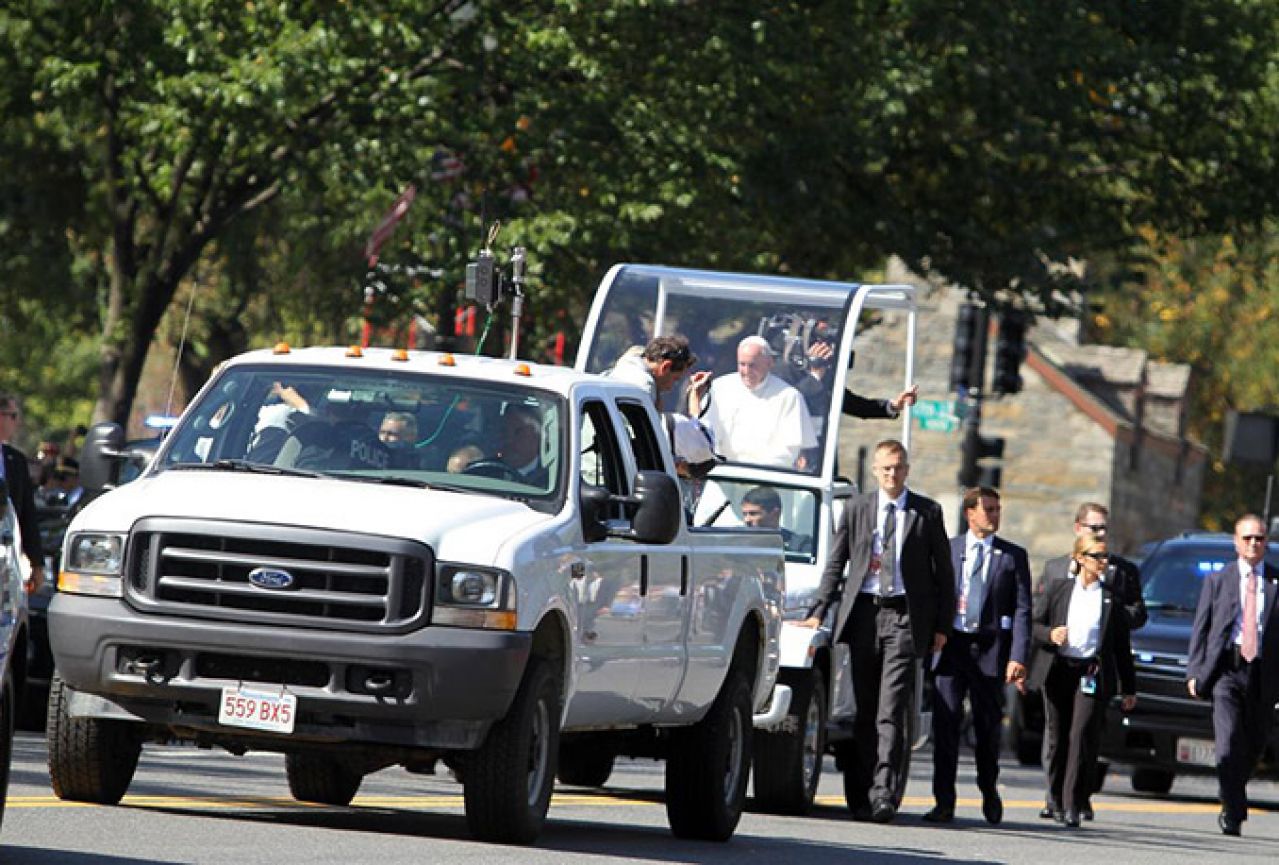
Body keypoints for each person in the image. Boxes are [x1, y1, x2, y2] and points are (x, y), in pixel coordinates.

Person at [800, 439, 954, 823]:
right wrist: (819, 610)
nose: (892, 474)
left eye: (899, 467)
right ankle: (861, 790)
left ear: (907, 469)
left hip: (904, 617)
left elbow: (944, 575)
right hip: (864, 615)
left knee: (891, 708)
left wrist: (941, 626)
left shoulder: (926, 513)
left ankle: (884, 792)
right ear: (875, 471)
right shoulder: (856, 509)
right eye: (886, 468)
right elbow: (836, 563)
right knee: (865, 709)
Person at [924, 486, 1032, 825]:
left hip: (990, 651)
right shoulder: (951, 549)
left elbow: (1023, 610)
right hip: (953, 646)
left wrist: (1018, 656)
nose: (993, 515)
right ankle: (944, 800)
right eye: (987, 508)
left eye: (997, 509)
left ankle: (988, 787)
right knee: (947, 724)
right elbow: (935, 594)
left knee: (987, 729)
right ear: (970, 513)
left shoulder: (1012, 557)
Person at [1034, 502, 1146, 820]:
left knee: (1083, 734)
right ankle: (1053, 797)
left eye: (1104, 530)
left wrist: (1110, 619)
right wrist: (1049, 636)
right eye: (1093, 529)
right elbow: (1035, 618)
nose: (1100, 536)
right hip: (1058, 666)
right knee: (1057, 734)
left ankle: (1075, 800)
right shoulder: (1056, 574)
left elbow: (1132, 624)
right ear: (1078, 531)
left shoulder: (1118, 578)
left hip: (1095, 667)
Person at [1186, 514, 1279, 837]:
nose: (1254, 543)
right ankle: (1233, 808)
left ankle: (1231, 790)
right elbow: (1202, 628)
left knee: (1253, 743)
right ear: (1236, 542)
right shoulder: (1218, 580)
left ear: (1266, 542)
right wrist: (1195, 671)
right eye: (1248, 538)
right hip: (1226, 668)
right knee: (1226, 742)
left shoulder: (1275, 582)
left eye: (1260, 538)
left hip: (1264, 674)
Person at [702, 335, 817, 469]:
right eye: (742, 364)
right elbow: (706, 435)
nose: (746, 371)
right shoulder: (719, 389)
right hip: (723, 473)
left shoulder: (788, 396)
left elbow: (788, 451)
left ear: (769, 363)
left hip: (767, 477)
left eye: (752, 365)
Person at [0, 392, 45, 591]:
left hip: (6, 556)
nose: (16, 423)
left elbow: (27, 513)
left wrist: (36, 564)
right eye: (13, 416)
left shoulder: (15, 460)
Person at [607, 334, 710, 417]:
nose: (670, 388)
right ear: (665, 367)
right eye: (675, 379)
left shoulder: (619, 372)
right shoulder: (644, 388)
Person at [741, 485, 811, 555]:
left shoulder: (800, 546)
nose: (747, 520)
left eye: (753, 514)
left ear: (775, 514)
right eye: (744, 514)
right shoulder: (737, 544)